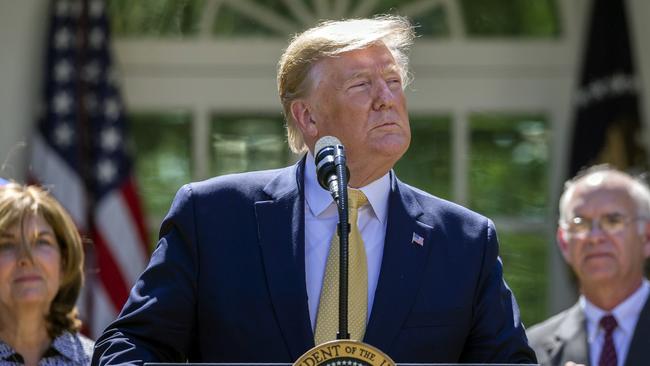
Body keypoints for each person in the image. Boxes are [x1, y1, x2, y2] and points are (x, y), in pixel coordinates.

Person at [92, 15, 536, 364]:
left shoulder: (463, 240)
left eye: (393, 81)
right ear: (307, 118)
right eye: (362, 85)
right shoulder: (213, 217)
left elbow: (508, 362)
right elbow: (131, 345)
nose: (387, 97)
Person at [527, 165, 650, 366]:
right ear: (564, 243)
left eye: (612, 221)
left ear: (646, 237)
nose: (594, 237)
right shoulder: (533, 349)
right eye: (579, 223)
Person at [0, 183, 94, 365]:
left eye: (41, 242)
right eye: (6, 244)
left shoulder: (100, 361)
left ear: (64, 262)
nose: (27, 258)